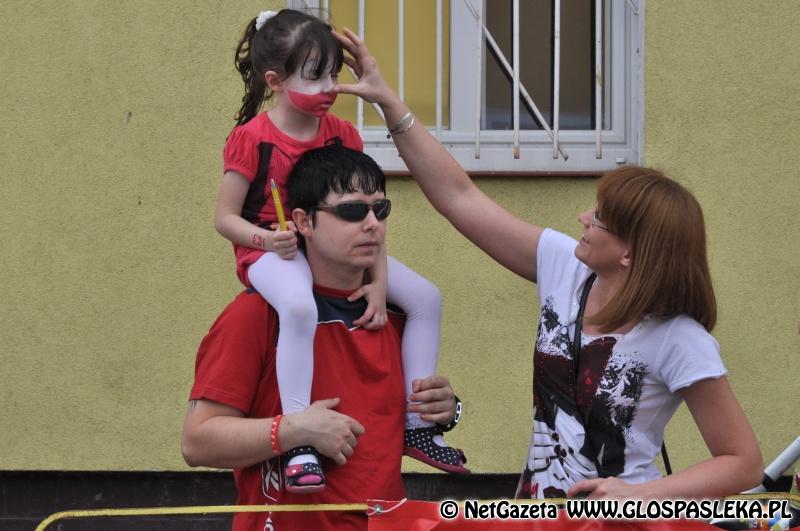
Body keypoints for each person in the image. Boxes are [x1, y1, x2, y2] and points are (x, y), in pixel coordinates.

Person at [332, 28, 764, 499]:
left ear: (629, 252)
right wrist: (388, 103)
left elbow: (742, 463)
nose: (583, 218)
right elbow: (459, 197)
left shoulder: (680, 338)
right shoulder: (566, 268)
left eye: (600, 218)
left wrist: (640, 495)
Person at [214, 8, 466, 491]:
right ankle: (299, 437)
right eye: (315, 76)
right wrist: (267, 240)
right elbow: (224, 218)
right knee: (297, 306)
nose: (330, 87)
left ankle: (418, 424)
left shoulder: (343, 134)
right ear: (275, 81)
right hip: (271, 251)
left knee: (426, 298)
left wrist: (379, 283)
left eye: (334, 74)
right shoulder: (252, 139)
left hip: (321, 248)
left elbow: (368, 213)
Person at [182, 144, 461, 530]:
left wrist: (446, 409)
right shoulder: (258, 314)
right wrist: (293, 430)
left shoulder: (396, 313)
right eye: (352, 211)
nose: (372, 224)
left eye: (380, 209)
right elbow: (197, 442)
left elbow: (387, 430)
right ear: (303, 222)